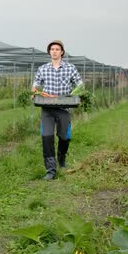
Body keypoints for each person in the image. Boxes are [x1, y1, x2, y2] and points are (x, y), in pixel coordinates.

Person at [31, 40, 83, 180]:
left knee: (64, 137)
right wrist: (34, 91)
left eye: (57, 49)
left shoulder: (70, 68)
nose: (54, 51)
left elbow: (80, 84)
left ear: (62, 52)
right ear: (49, 52)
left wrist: (76, 94)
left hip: (64, 108)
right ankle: (50, 170)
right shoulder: (43, 69)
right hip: (47, 108)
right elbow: (35, 84)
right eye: (52, 49)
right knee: (46, 137)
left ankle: (61, 158)